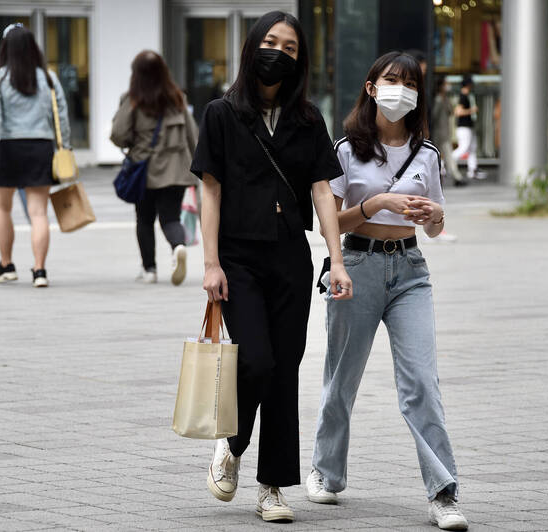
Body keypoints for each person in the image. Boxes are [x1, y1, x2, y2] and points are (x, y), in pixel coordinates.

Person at [190, 11, 352, 523]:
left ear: (299, 61)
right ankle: (232, 445)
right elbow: (209, 189)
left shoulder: (308, 120)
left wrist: (338, 259)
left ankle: (272, 487)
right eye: (270, 42)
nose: (278, 52)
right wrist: (211, 263)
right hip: (238, 256)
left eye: (290, 48)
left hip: (289, 257)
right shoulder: (221, 113)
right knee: (256, 361)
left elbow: (323, 191)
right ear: (252, 47)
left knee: (284, 372)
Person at [306, 52, 468, 531]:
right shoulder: (345, 150)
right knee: (342, 379)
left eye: (410, 83)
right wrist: (375, 204)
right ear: (372, 88)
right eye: (392, 80)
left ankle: (444, 492)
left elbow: (437, 225)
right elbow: (326, 222)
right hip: (355, 265)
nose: (402, 89)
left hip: (411, 270)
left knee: (421, 383)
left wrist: (432, 217)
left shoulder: (428, 153)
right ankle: (326, 472)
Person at [0, 23, 71, 287]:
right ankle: (40, 271)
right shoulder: (47, 77)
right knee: (39, 213)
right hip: (40, 146)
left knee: (1, 208)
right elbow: (61, 115)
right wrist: (64, 145)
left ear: (5, 47)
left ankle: (6, 264)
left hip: (8, 147)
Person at [110, 51, 198, 285]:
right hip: (177, 169)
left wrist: (131, 143)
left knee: (144, 219)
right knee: (170, 218)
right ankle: (178, 246)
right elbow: (192, 135)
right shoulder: (178, 97)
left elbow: (117, 134)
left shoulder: (132, 99)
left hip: (145, 170)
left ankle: (150, 270)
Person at [432, 76, 465, 186]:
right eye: (446, 84)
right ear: (441, 86)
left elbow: (451, 111)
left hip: (445, 132)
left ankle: (455, 177)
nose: (448, 86)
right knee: (447, 157)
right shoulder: (438, 99)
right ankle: (457, 178)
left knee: (444, 157)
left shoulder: (445, 98)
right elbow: (434, 116)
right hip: (439, 133)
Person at [451, 74, 483, 180]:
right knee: (464, 148)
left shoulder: (467, 95)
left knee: (472, 148)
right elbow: (458, 112)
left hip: (468, 126)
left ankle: (472, 170)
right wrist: (471, 110)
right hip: (464, 127)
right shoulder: (463, 96)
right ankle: (444, 163)